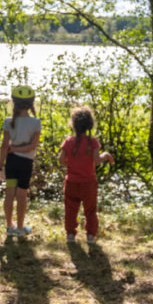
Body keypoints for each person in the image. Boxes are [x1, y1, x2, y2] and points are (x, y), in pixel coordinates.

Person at [58, 105, 113, 244]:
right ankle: (90, 236)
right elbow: (97, 160)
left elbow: (61, 161)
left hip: (71, 182)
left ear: (74, 124)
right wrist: (105, 155)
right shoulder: (93, 142)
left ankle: (70, 235)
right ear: (90, 124)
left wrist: (71, 161)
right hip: (88, 183)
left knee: (70, 210)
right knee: (90, 210)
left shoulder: (68, 142)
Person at [0, 85, 41, 237]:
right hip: (26, 164)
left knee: (9, 194)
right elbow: (32, 146)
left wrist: (0, 163)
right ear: (31, 103)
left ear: (14, 103)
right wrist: (18, 149)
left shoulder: (8, 121)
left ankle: (9, 226)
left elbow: (4, 146)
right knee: (22, 195)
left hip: (12, 163)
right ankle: (20, 228)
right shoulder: (36, 123)